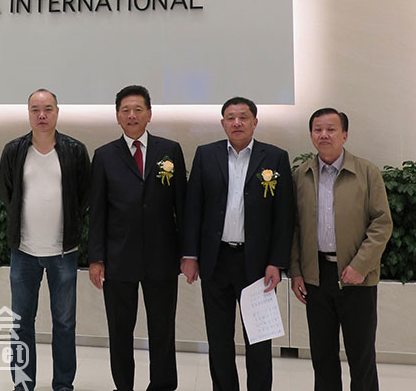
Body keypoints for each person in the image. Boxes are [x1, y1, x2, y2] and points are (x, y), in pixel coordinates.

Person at [182, 96, 294, 391]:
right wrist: (190, 255)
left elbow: (284, 216)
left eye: (243, 117)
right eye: (230, 117)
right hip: (216, 260)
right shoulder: (206, 154)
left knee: (258, 338)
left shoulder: (275, 157)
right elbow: (193, 208)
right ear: (223, 123)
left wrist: (276, 262)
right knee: (219, 338)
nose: (237, 122)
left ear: (255, 122)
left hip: (256, 264)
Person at [88, 85, 187, 391]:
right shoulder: (104, 155)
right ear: (117, 116)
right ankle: (124, 386)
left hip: (162, 257)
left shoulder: (170, 151)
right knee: (120, 330)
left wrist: (188, 253)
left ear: (149, 114)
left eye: (138, 109)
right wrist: (96, 258)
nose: (132, 115)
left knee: (162, 328)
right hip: (119, 258)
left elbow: (182, 207)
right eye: (125, 110)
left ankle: (163, 385)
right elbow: (98, 211)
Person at [289, 108, 392, 391]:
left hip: (356, 277)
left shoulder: (367, 172)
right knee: (322, 356)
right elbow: (294, 227)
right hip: (316, 276)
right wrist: (296, 271)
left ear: (345, 135)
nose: (324, 135)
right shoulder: (301, 175)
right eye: (318, 129)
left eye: (331, 129)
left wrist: (360, 265)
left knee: (361, 356)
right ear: (311, 135)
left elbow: (382, 223)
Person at [0, 89, 90, 391]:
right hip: (23, 251)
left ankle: (63, 384)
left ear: (57, 112)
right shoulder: (14, 150)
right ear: (28, 113)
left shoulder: (75, 150)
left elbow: (84, 195)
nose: (42, 115)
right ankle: (23, 383)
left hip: (64, 251)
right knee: (21, 322)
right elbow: (7, 193)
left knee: (64, 323)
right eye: (35, 109)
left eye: (48, 109)